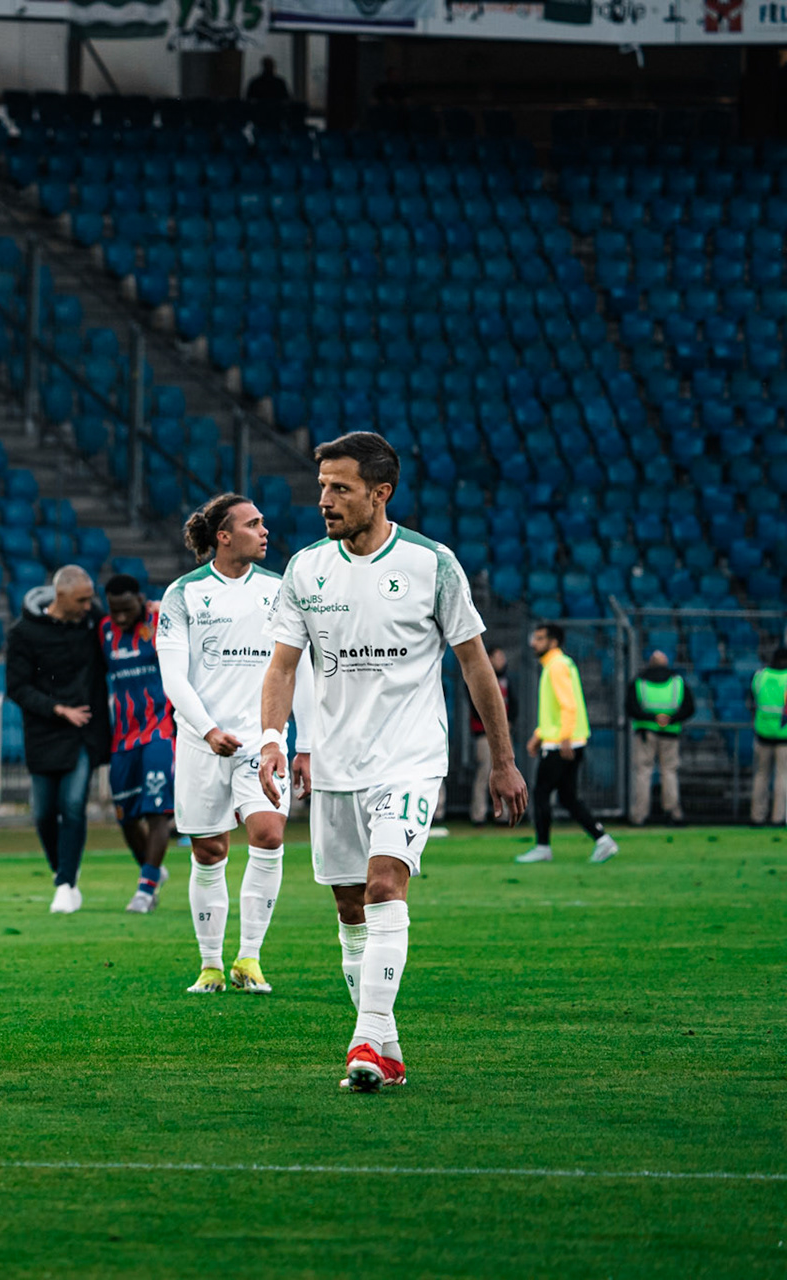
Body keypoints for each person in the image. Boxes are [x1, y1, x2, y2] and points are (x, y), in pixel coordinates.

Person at [259, 430, 528, 1093]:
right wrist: (274, 737)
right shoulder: (304, 569)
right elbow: (283, 667)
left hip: (409, 758)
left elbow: (475, 667)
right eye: (322, 486)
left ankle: (364, 1039)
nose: (324, 498)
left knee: (385, 886)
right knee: (351, 906)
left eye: (340, 487)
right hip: (336, 765)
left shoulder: (433, 565)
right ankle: (389, 1045)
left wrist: (504, 760)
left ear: (380, 493)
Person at [158, 493, 318, 989]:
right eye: (252, 524)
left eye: (263, 523)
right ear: (223, 536)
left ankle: (249, 959)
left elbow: (300, 670)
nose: (264, 530)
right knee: (209, 851)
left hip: (260, 741)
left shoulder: (280, 590)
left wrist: (305, 744)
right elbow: (172, 676)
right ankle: (209, 965)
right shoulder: (182, 594)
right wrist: (207, 728)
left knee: (269, 836)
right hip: (202, 742)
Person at [5, 565, 111, 915]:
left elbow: (123, 623)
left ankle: (66, 884)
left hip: (82, 731)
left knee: (73, 806)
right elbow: (17, 687)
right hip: (43, 731)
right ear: (60, 596)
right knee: (43, 814)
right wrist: (57, 709)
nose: (89, 604)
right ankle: (63, 872)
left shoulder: (92, 620)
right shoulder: (23, 633)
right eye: (82, 599)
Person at [100, 574, 177, 915]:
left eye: (126, 609)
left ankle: (145, 889)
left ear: (142, 601)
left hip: (161, 730)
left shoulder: (161, 620)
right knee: (125, 815)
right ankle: (152, 869)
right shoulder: (102, 631)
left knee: (156, 810)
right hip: (122, 737)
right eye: (113, 609)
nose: (119, 616)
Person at [517, 624, 617, 864]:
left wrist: (563, 739)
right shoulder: (561, 664)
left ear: (553, 642)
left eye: (539, 638)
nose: (533, 642)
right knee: (568, 796)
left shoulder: (556, 666)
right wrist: (538, 735)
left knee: (542, 793)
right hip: (567, 739)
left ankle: (543, 846)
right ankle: (602, 840)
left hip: (561, 744)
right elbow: (557, 710)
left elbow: (567, 706)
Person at [627, 649, 693, 826]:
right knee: (669, 772)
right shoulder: (677, 682)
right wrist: (669, 719)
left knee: (643, 773)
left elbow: (630, 708)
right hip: (670, 733)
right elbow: (689, 708)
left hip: (645, 733)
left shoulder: (639, 682)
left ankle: (639, 816)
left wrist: (652, 718)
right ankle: (672, 812)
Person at [467, 645, 515, 825]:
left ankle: (502, 815)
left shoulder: (506, 680)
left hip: (504, 734)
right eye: (498, 657)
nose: (502, 660)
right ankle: (478, 815)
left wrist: (508, 723)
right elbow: (476, 707)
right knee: (484, 774)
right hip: (483, 734)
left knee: (506, 772)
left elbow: (514, 704)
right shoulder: (478, 678)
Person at [753, 646, 787, 825]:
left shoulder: (760, 676)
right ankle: (778, 817)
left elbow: (753, 697)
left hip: (763, 732)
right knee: (782, 776)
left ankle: (757, 816)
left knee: (761, 776)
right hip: (784, 735)